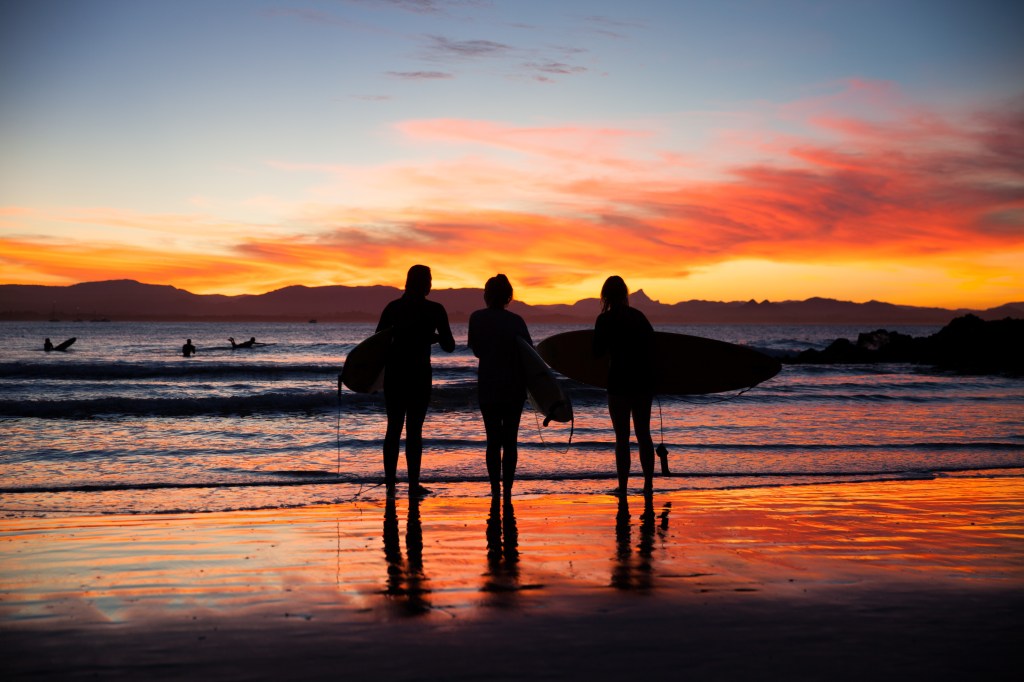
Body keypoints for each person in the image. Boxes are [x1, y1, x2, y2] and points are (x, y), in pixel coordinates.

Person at [376, 265, 456, 498]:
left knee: (393, 428)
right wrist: (433, 337)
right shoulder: (435, 310)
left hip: (395, 375)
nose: (431, 284)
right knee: (414, 431)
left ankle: (391, 484)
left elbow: (378, 342)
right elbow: (450, 346)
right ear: (423, 283)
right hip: (419, 375)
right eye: (429, 280)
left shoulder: (393, 308)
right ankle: (412, 485)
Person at [468, 274, 532, 498]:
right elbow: (529, 355)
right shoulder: (517, 321)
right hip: (514, 387)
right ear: (508, 297)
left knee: (493, 440)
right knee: (510, 440)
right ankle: (507, 490)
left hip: (488, 385)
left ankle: (495, 489)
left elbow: (476, 351)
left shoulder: (476, 318)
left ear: (487, 294)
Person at [593, 275, 656, 495]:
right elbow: (653, 346)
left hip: (618, 381)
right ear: (624, 294)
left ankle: (623, 486)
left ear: (605, 296)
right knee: (643, 434)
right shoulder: (638, 317)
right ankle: (648, 485)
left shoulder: (604, 320)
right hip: (642, 381)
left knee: (622, 437)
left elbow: (597, 352)